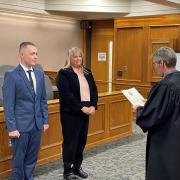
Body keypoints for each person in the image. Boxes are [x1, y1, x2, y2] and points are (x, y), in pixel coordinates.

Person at [3, 42, 49, 180]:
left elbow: (42, 100)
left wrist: (45, 120)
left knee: (32, 158)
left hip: (36, 125)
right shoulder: (11, 75)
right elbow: (8, 104)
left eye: (36, 53)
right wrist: (11, 127)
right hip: (20, 127)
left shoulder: (40, 74)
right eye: (32, 53)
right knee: (19, 159)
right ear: (22, 55)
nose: (36, 56)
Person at [133, 46, 180, 180]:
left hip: (167, 138)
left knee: (164, 171)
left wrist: (139, 109)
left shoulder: (165, 85)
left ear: (162, 63)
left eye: (154, 63)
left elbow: (151, 116)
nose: (154, 67)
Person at [56, 47, 98, 180]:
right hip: (70, 113)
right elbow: (67, 96)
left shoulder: (87, 72)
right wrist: (81, 108)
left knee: (81, 141)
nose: (78, 59)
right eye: (75, 57)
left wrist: (93, 106)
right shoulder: (64, 73)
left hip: (85, 111)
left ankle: (77, 167)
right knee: (70, 142)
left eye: (80, 56)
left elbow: (94, 91)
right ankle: (67, 171)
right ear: (70, 58)